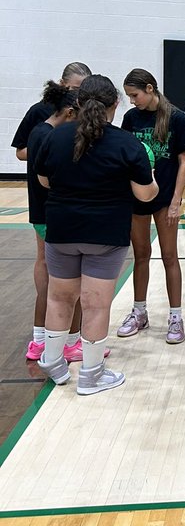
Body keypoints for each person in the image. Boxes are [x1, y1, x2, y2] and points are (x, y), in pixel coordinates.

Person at [34, 75, 157, 394]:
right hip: (105, 234)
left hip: (61, 229)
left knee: (59, 297)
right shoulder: (127, 143)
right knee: (95, 304)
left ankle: (52, 360)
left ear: (77, 102)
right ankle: (91, 374)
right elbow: (145, 196)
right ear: (114, 105)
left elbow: (44, 181)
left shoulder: (55, 137)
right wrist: (152, 178)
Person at [11, 61, 92, 362]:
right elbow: (23, 153)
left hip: (58, 206)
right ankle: (63, 342)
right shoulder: (43, 124)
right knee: (65, 279)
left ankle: (48, 339)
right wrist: (51, 153)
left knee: (64, 279)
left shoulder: (57, 127)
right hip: (52, 207)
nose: (78, 96)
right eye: (74, 90)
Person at [117, 68, 185, 345]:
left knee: (170, 256)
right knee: (140, 254)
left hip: (164, 199)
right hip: (137, 196)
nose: (131, 100)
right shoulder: (130, 118)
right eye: (128, 96)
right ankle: (139, 312)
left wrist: (176, 201)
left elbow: (184, 161)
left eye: (134, 95)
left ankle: (176, 317)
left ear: (150, 88)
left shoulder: (176, 117)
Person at [23, 82, 79, 362]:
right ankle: (69, 343)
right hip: (52, 214)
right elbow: (50, 179)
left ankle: (39, 341)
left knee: (50, 282)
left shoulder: (39, 131)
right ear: (69, 112)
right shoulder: (49, 137)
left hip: (41, 213)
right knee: (66, 285)